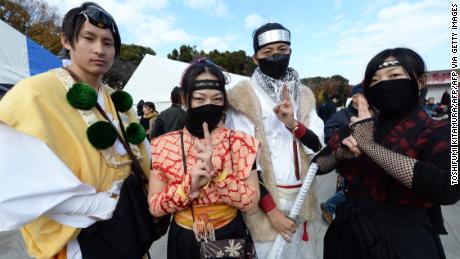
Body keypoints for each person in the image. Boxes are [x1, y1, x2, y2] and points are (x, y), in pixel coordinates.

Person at [0, 2, 150, 258]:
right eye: (89, 38)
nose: (99, 49)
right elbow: (21, 183)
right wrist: (109, 203)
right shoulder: (34, 94)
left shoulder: (117, 100)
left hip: (129, 227)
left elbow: (147, 157)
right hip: (79, 239)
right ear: (66, 40)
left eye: (107, 42)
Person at [314, 47, 458, 259]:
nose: (383, 84)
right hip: (348, 234)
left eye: (394, 75)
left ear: (420, 81)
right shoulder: (361, 126)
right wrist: (340, 154)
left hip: (404, 241)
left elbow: (448, 188)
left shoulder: (440, 130)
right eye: (374, 81)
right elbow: (317, 165)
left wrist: (369, 147)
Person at [225, 22, 324, 258]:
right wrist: (272, 213)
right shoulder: (244, 95)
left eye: (282, 49)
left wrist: (293, 125)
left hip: (303, 196)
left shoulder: (305, 94)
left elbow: (317, 146)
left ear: (291, 51)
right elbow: (244, 161)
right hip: (267, 200)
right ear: (255, 58)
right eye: (267, 52)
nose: (276, 56)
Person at [148, 59, 261, 259]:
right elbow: (155, 207)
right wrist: (188, 187)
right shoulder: (163, 145)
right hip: (183, 238)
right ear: (185, 98)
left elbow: (251, 205)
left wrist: (219, 175)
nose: (208, 106)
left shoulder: (242, 143)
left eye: (217, 99)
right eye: (200, 99)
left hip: (229, 236)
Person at [320, 84, 364, 224]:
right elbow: (327, 132)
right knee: (349, 190)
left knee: (348, 191)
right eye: (363, 96)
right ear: (355, 97)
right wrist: (342, 140)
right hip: (346, 161)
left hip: (364, 163)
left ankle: (339, 212)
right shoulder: (341, 115)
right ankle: (330, 206)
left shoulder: (371, 113)